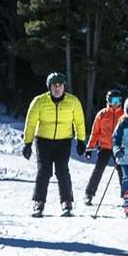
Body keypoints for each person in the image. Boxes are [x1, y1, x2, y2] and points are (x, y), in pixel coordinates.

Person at [22, 72, 87, 217]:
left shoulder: (73, 102)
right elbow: (31, 122)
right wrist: (27, 143)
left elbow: (79, 122)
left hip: (63, 141)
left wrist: (81, 140)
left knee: (62, 171)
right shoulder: (39, 101)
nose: (57, 88)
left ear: (64, 87)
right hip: (44, 140)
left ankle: (67, 202)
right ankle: (38, 202)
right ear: (49, 87)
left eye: (60, 85)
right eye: (54, 85)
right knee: (44, 171)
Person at [84, 90, 124, 205]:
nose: (115, 103)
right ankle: (89, 194)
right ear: (108, 101)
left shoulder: (124, 115)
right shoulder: (102, 114)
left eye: (118, 100)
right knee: (98, 170)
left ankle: (126, 196)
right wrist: (89, 148)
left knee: (123, 171)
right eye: (113, 101)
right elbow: (95, 133)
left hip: (119, 148)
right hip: (104, 147)